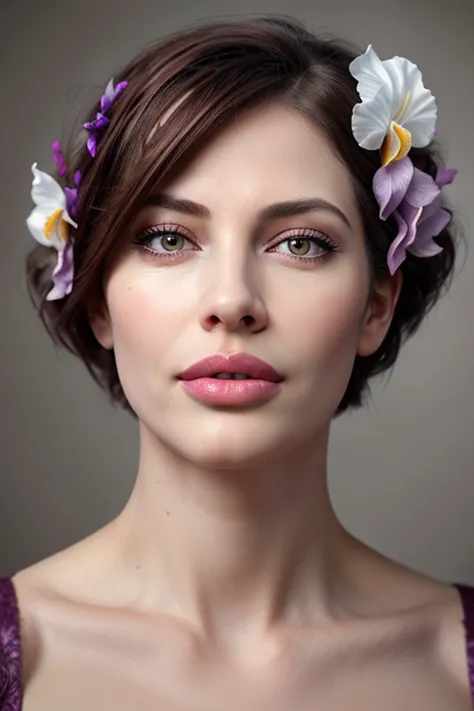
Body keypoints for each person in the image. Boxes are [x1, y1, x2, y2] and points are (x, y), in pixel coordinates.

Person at [0, 14, 472, 710]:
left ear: (376, 304)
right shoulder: (20, 653)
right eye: (166, 238)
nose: (232, 300)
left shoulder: (455, 666)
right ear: (97, 295)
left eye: (302, 244)